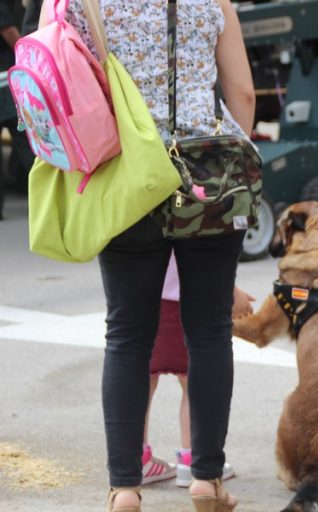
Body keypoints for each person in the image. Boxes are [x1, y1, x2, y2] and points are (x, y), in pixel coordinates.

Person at [39, 0, 255, 509]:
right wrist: (234, 147)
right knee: (208, 333)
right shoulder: (213, 0)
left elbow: (55, 83)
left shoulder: (79, 3)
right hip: (207, 175)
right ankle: (206, 477)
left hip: (125, 177)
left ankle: (124, 487)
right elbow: (242, 91)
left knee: (127, 336)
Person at [141, 254, 254, 488]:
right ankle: (191, 460)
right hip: (182, 299)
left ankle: (137, 459)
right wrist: (230, 289)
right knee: (192, 382)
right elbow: (193, 252)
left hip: (141, 293)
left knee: (142, 379)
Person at [0, 0, 35, 220]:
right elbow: (8, 30)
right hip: (7, 77)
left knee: (27, 141)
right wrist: (28, 56)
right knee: (26, 141)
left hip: (9, 77)